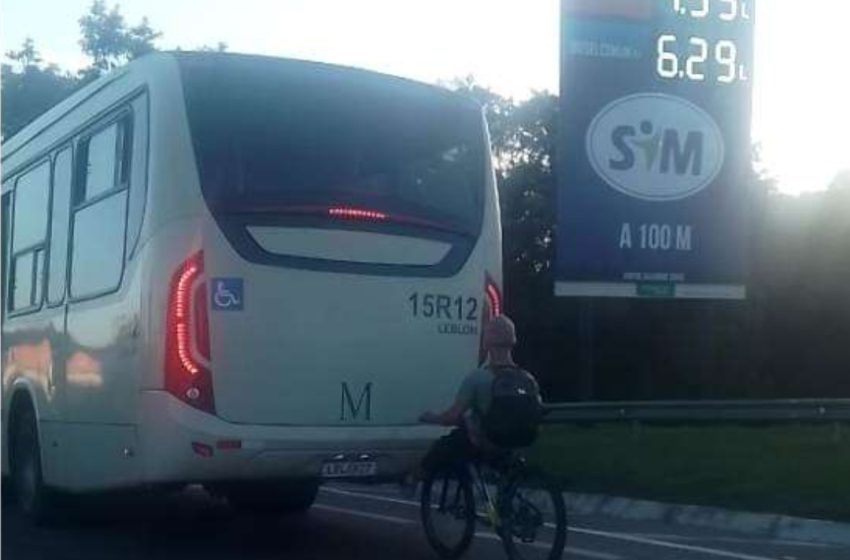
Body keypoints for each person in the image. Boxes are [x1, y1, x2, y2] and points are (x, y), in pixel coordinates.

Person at [413, 314, 542, 482]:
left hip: (485, 444)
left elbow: (453, 417)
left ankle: (411, 480)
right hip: (517, 443)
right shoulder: (528, 379)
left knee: (444, 446)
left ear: (486, 342)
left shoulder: (478, 378)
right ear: (513, 341)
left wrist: (429, 417)